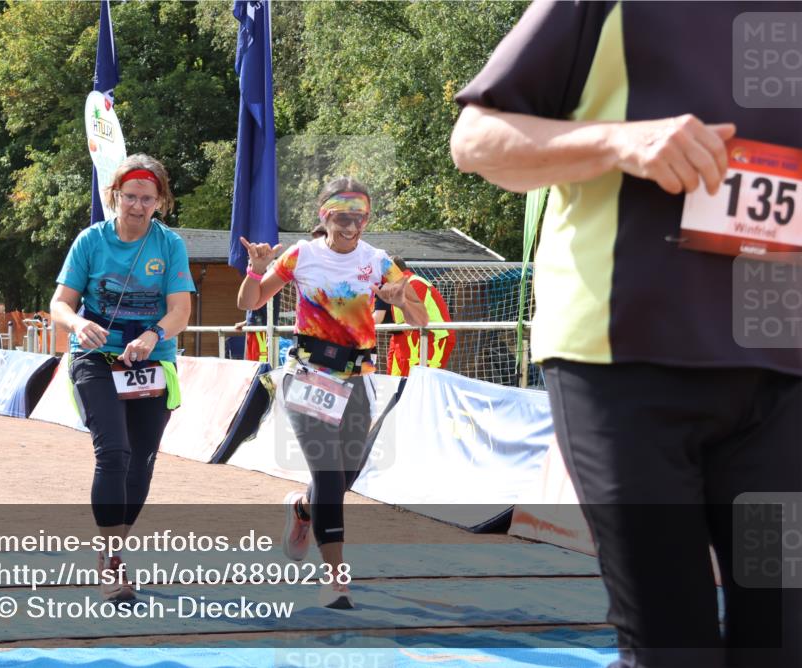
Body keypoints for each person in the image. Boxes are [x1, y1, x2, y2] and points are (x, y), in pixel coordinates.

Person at [450, 3, 800, 667]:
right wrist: (620, 142)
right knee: (673, 645)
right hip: (622, 360)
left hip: (782, 378)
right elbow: (475, 140)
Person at [238, 176, 428, 609]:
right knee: (327, 473)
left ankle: (304, 509)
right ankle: (336, 577)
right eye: (342, 217)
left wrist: (403, 300)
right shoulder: (301, 255)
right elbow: (250, 302)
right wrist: (256, 269)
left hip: (358, 379)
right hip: (308, 375)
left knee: (344, 478)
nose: (351, 226)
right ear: (324, 217)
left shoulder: (377, 261)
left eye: (360, 217)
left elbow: (421, 321)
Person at [50, 154, 194, 602]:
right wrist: (78, 324)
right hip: (95, 357)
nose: (137, 206)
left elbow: (181, 310)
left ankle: (111, 547)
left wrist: (154, 335)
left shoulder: (169, 245)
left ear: (160, 201)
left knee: (141, 461)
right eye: (130, 197)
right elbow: (60, 303)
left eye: (147, 199)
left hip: (151, 361)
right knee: (114, 451)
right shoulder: (90, 241)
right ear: (114, 196)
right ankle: (112, 563)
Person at [373, 255, 455, 376]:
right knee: (397, 380)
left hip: (432, 337)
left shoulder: (414, 283)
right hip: (409, 336)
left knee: (421, 379)